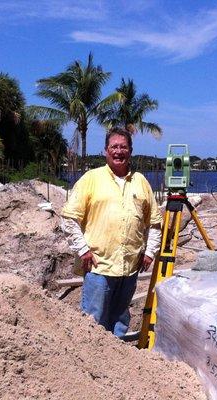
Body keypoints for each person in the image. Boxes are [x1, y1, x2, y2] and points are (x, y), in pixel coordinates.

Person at [61, 127, 162, 338]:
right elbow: (69, 218)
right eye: (114, 147)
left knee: (120, 322)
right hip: (100, 267)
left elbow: (154, 223)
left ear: (130, 151)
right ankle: (91, 364)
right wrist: (83, 249)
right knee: (93, 322)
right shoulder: (91, 179)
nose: (119, 151)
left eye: (123, 147)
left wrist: (150, 252)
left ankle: (118, 366)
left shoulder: (141, 182)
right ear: (106, 151)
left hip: (129, 268)